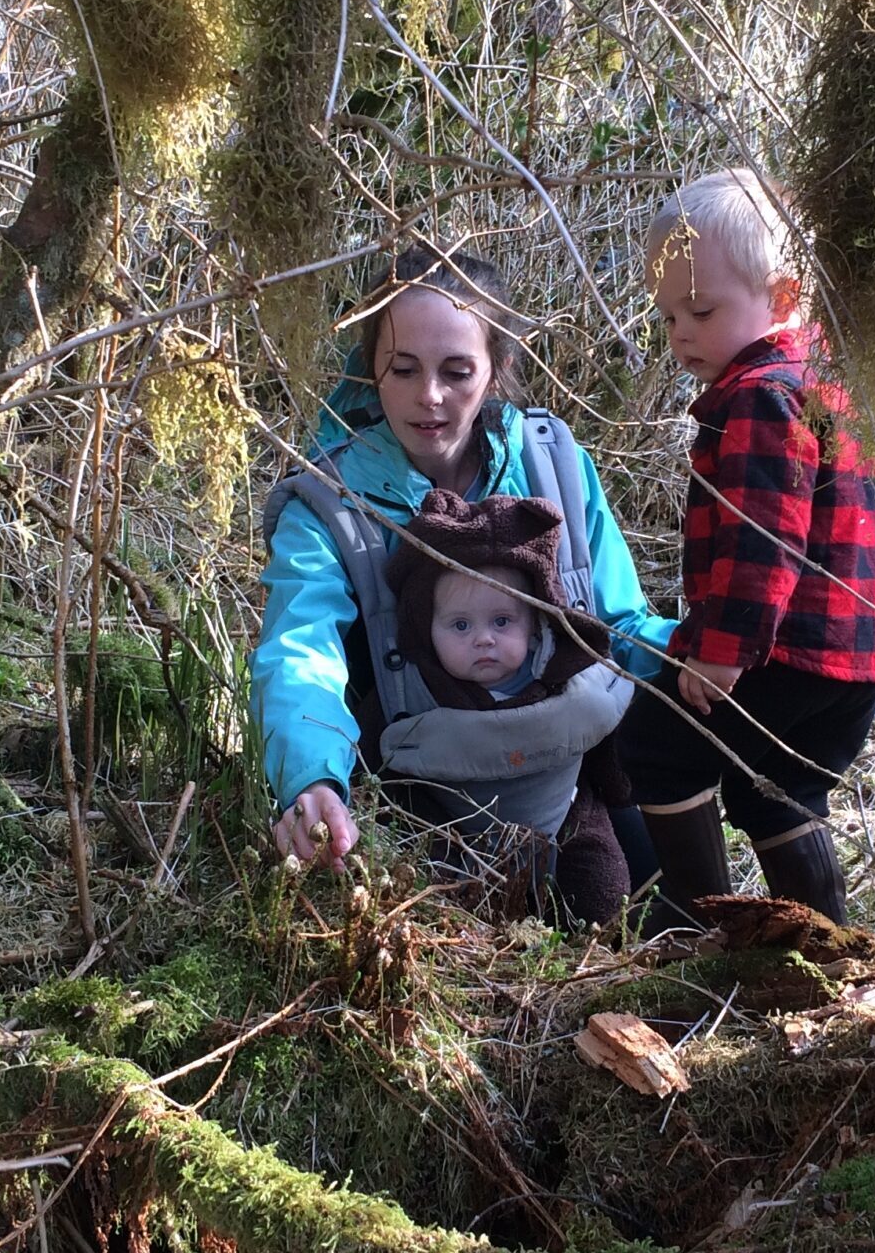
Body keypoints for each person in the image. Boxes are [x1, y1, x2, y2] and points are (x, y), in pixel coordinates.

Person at [253, 244, 678, 886]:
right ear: (370, 369)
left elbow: (621, 625)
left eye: (456, 372)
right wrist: (312, 777)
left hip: (574, 775)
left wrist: (702, 655)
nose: (429, 397)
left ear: (497, 366)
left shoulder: (552, 461)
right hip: (420, 800)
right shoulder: (325, 501)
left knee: (665, 914)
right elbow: (300, 651)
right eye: (402, 369)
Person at [612, 168, 875, 926]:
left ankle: (694, 928)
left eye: (700, 309)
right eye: (667, 314)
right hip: (850, 657)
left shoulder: (761, 399)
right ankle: (825, 948)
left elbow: (762, 537)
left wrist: (721, 649)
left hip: (782, 651)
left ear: (781, 298)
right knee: (772, 783)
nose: (679, 333)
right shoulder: (819, 385)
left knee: (655, 740)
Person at [377, 489, 636, 923]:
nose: (484, 639)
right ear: (426, 628)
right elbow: (379, 766)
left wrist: (619, 785)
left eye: (502, 621)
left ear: (536, 623)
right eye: (460, 625)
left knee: (601, 887)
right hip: (459, 829)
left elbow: (603, 736)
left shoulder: (563, 673)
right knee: (439, 886)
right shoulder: (418, 691)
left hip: (565, 809)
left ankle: (596, 944)